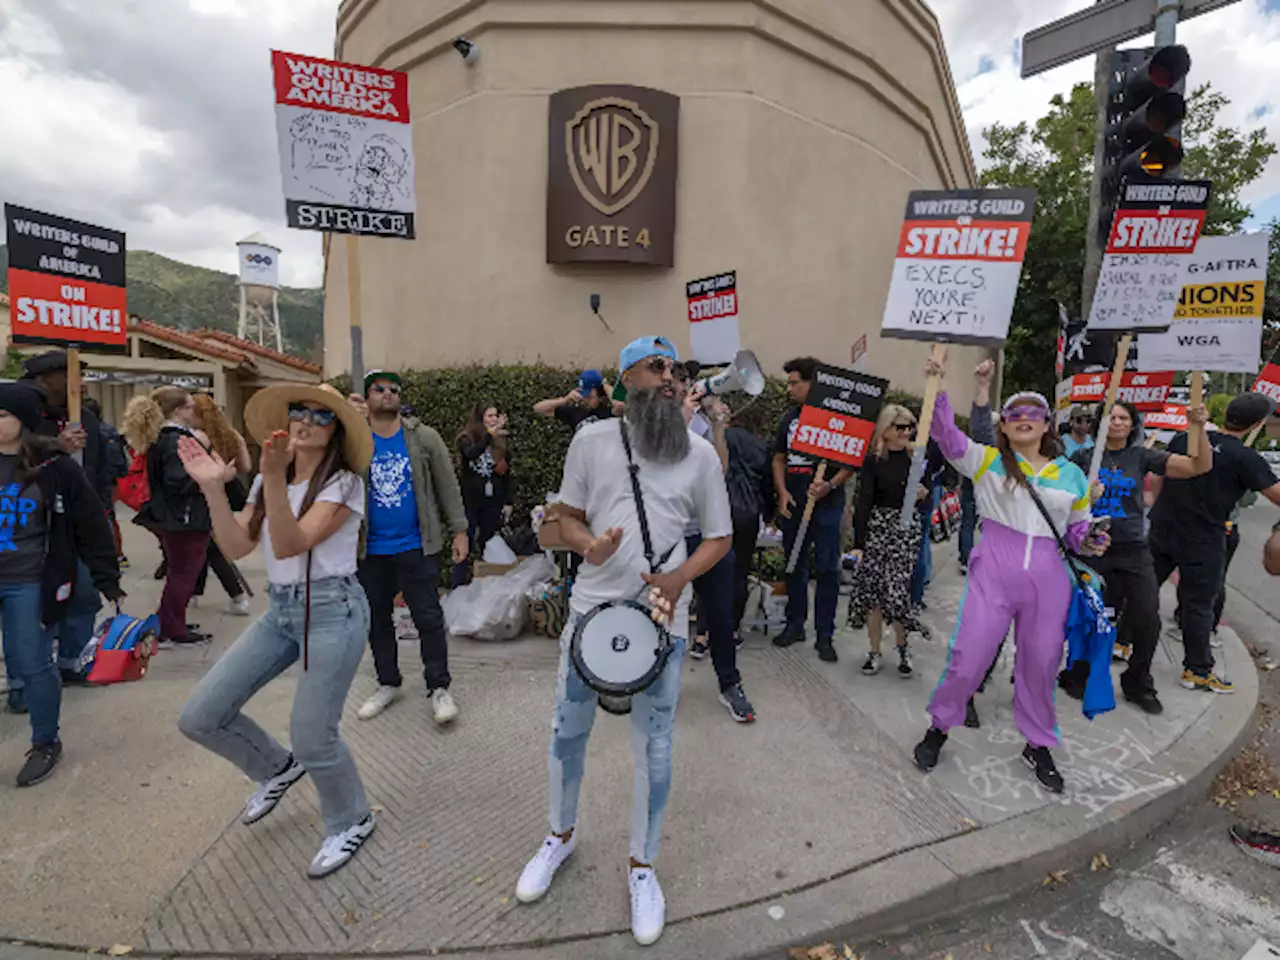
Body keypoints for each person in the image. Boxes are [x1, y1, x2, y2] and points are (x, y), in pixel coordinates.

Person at [513, 335, 731, 946]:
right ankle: (560, 837)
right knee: (566, 730)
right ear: (625, 378)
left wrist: (678, 578)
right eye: (655, 366)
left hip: (662, 618)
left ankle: (642, 869)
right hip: (591, 611)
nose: (669, 376)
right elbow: (559, 519)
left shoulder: (700, 456)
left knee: (655, 748)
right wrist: (589, 546)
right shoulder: (591, 441)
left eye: (675, 367)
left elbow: (718, 538)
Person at [176, 383, 376, 879]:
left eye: (320, 416)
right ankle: (274, 767)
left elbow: (290, 545)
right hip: (282, 612)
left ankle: (352, 819)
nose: (305, 420)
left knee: (313, 737)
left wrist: (268, 476)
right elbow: (237, 547)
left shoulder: (345, 484)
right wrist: (212, 488)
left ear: (336, 432)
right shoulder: (273, 481)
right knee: (200, 717)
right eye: (298, 412)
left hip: (334, 611)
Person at [912, 359, 1104, 794]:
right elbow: (946, 435)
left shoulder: (1071, 474)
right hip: (995, 570)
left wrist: (1090, 539)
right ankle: (939, 728)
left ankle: (1037, 743)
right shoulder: (987, 462)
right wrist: (939, 382)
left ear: (1047, 425)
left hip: (1050, 579)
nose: (1022, 419)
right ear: (1004, 426)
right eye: (1013, 414)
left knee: (1040, 664)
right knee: (969, 655)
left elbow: (1076, 531)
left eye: (1032, 413)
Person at [0, 383, 123, 786]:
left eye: (2, 415)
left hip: (29, 581)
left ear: (23, 422)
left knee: (32, 663)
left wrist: (107, 578)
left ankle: (45, 741)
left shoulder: (55, 468)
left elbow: (90, 523)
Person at [1063, 400, 1211, 715]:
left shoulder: (1141, 455)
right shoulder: (1082, 457)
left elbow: (1197, 466)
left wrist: (1197, 427)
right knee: (1088, 617)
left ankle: (1138, 682)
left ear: (1132, 424)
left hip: (1132, 549)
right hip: (1091, 548)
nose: (1116, 422)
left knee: (1147, 619)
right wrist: (1081, 496)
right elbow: (1059, 497)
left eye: (1122, 417)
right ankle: (1078, 673)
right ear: (1098, 424)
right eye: (1110, 417)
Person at [350, 371, 469, 724]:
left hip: (416, 546)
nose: (387, 394)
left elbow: (448, 486)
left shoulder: (423, 438)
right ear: (366, 397)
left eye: (394, 390)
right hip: (369, 549)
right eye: (379, 389)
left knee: (428, 618)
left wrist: (459, 530)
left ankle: (439, 687)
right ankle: (388, 682)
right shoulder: (355, 439)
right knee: (377, 620)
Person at [1147, 393, 1280, 694]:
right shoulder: (1246, 458)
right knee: (1198, 606)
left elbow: (1160, 474)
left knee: (1143, 588)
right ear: (1256, 424)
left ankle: (1121, 643)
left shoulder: (1184, 440)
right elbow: (1275, 494)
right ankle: (1197, 670)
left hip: (1162, 528)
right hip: (1203, 540)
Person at [21, 351, 110, 681]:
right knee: (41, 603)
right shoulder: (24, 417)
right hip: (40, 526)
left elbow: (98, 470)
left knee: (86, 594)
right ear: (45, 380)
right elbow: (17, 464)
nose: (81, 384)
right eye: (71, 376)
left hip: (80, 523)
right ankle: (33, 672)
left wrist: (101, 510)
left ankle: (73, 659)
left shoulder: (85, 418)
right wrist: (55, 445)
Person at [675, 368, 756, 723]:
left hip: (708, 532)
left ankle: (729, 683)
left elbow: (720, 467)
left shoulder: (704, 425)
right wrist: (682, 418)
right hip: (672, 533)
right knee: (667, 613)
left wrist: (719, 425)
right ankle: (660, 683)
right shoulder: (659, 421)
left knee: (721, 613)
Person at [846, 404, 941, 674]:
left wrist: (924, 496)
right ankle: (874, 651)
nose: (907, 431)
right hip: (878, 528)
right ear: (885, 430)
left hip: (905, 531)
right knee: (873, 594)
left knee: (898, 594)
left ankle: (902, 647)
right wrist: (859, 543)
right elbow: (864, 502)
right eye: (900, 427)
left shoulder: (917, 459)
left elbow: (930, 498)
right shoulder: (874, 461)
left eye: (910, 426)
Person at [771, 357, 852, 654]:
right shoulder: (789, 419)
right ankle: (795, 625)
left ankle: (825, 634)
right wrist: (781, 491)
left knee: (828, 567)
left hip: (827, 501)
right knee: (794, 564)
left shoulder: (838, 420)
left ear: (813, 384)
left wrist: (830, 484)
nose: (790, 388)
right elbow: (779, 457)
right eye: (789, 382)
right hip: (794, 496)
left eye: (796, 382)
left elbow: (851, 461)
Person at [132, 388, 213, 648]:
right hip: (184, 515)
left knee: (181, 570)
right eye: (190, 406)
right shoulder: (176, 439)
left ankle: (169, 620)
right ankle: (172, 626)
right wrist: (212, 475)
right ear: (177, 410)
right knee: (184, 571)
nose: (195, 411)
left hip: (173, 515)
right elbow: (177, 481)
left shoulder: (162, 437)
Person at [191, 394, 254, 616]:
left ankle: (237, 596)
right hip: (231, 495)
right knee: (207, 545)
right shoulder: (232, 434)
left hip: (205, 494)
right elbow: (246, 465)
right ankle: (194, 593)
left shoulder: (195, 438)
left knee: (210, 546)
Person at [723, 404, 773, 644]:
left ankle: (704, 632)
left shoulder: (725, 436)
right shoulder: (762, 447)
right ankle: (733, 629)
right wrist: (771, 516)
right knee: (741, 571)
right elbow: (768, 484)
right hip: (749, 513)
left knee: (712, 569)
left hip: (721, 509)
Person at [452, 402, 514, 587]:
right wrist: (489, 436)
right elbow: (471, 454)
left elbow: (506, 473)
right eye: (489, 416)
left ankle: (486, 584)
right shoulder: (466, 438)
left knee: (488, 541)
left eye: (495, 416)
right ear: (480, 419)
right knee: (466, 541)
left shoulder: (500, 441)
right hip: (471, 499)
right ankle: (457, 585)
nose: (493, 419)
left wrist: (508, 501)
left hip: (492, 499)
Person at [957, 361, 995, 575]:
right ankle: (966, 557)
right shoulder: (992, 454)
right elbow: (982, 434)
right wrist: (982, 386)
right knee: (969, 521)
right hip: (975, 485)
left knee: (971, 521)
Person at [83, 397, 129, 565]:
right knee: (109, 515)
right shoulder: (109, 430)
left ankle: (110, 554)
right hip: (109, 480)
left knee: (103, 516)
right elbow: (118, 457)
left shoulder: (91, 431)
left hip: (98, 479)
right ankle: (116, 554)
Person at [533, 370, 616, 433]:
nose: (585, 400)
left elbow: (620, 405)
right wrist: (565, 400)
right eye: (583, 395)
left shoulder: (609, 412)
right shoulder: (575, 412)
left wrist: (605, 384)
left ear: (601, 397)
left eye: (589, 397)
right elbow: (538, 409)